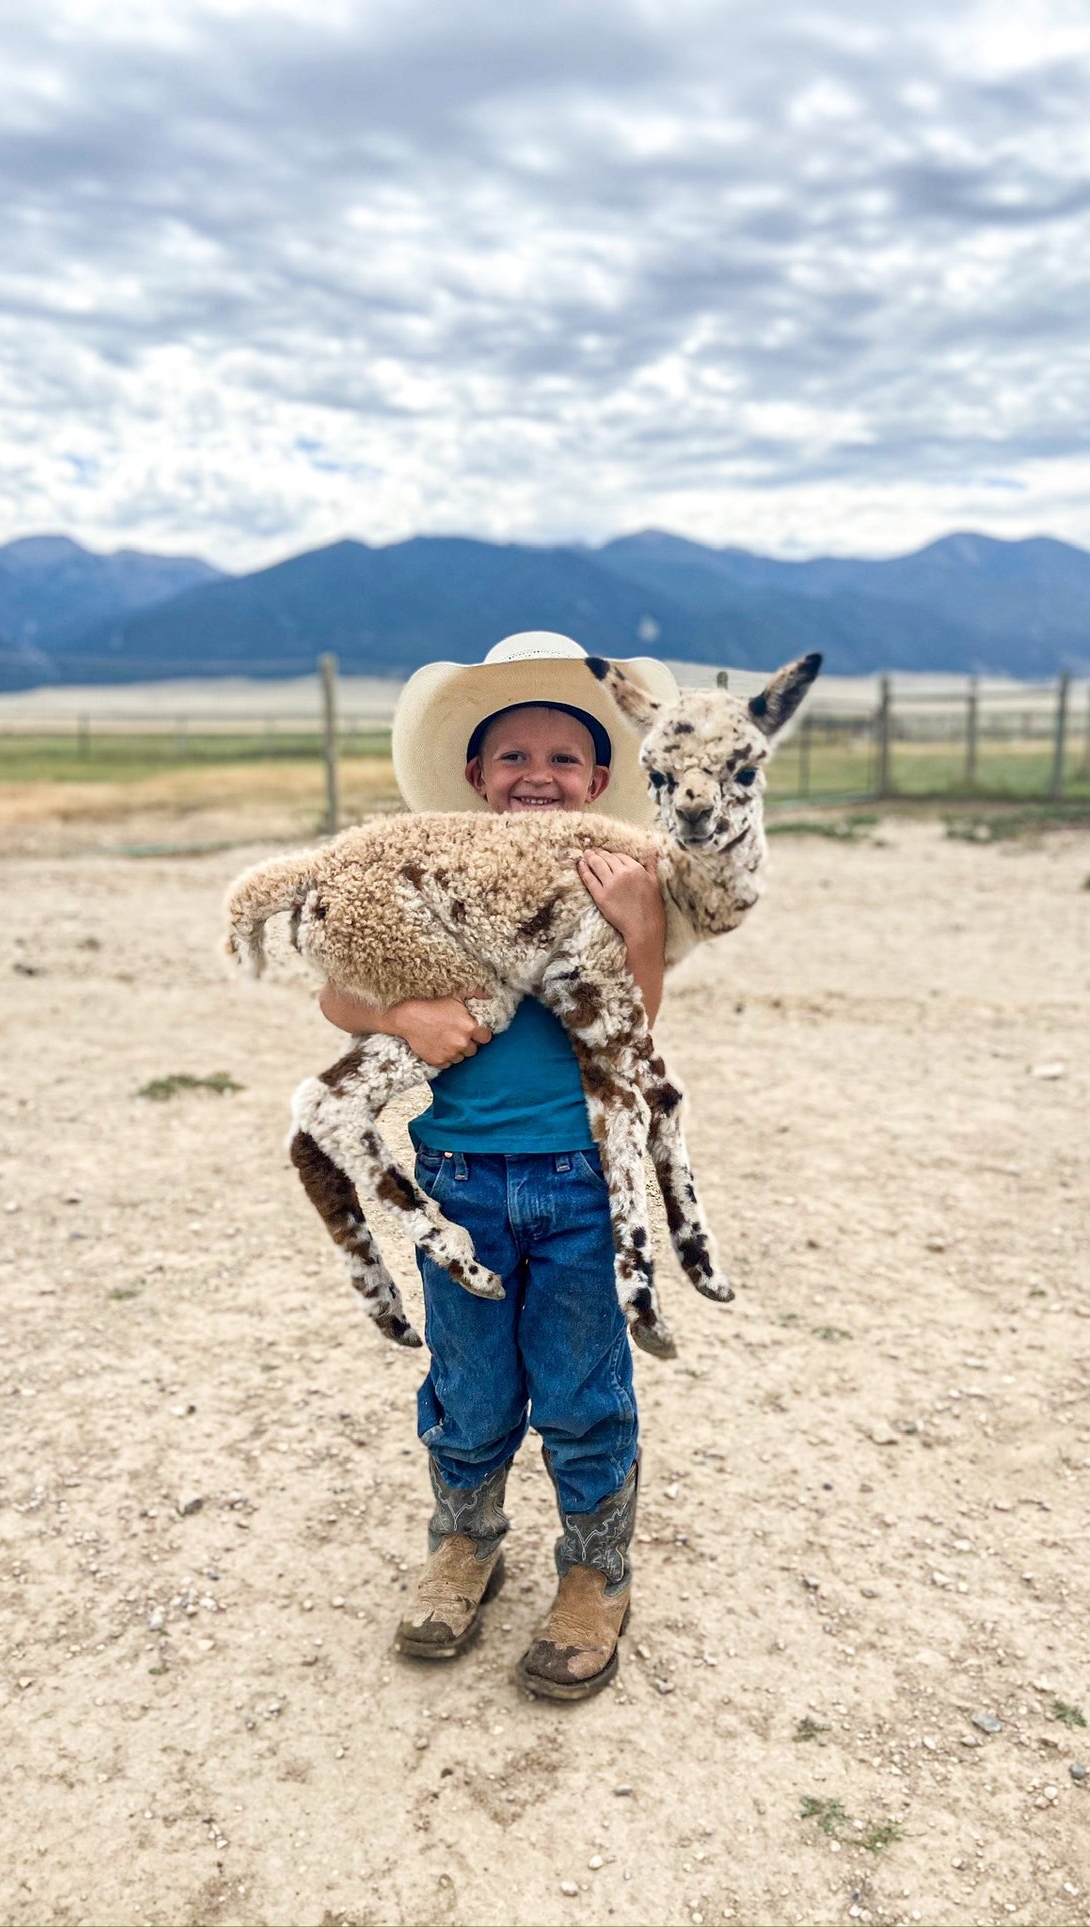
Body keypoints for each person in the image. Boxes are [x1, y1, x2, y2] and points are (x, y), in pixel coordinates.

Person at [318, 630, 678, 1700]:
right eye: (510, 755)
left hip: (578, 1179)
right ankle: (464, 1542)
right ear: (473, 776)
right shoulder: (426, 879)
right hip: (458, 1181)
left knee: (579, 1383)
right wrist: (405, 1013)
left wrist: (643, 931)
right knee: (470, 1382)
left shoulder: (620, 877)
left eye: (562, 758)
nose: (536, 775)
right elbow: (333, 989)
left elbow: (630, 1034)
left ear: (599, 778)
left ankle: (593, 1570)